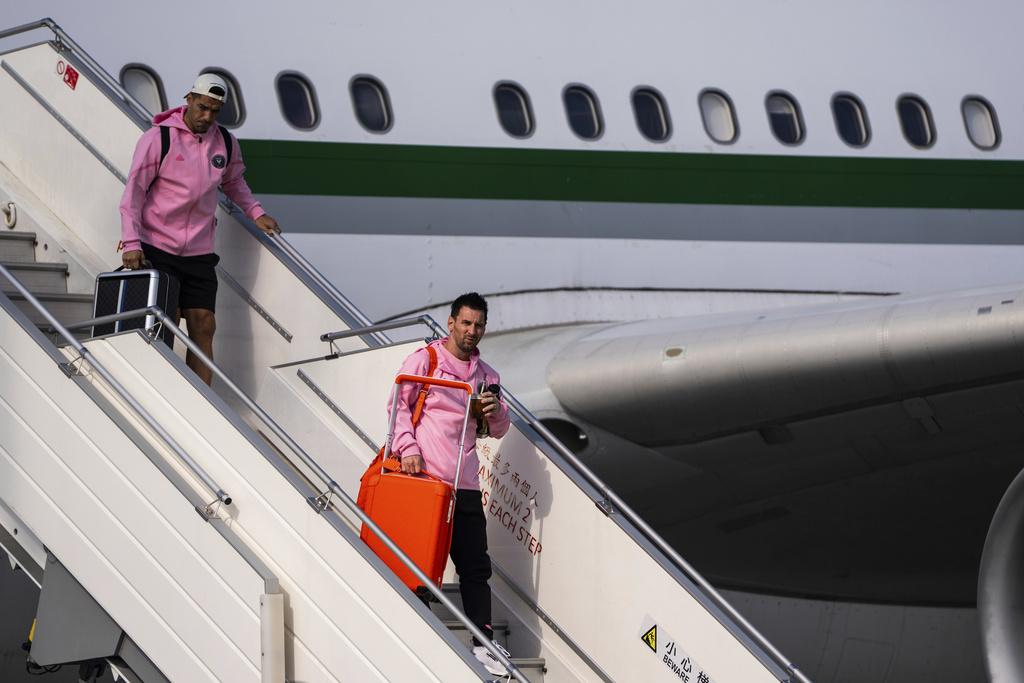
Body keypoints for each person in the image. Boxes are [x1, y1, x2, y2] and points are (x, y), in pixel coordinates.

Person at [118, 73, 279, 385]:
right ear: (189, 100)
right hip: (157, 246)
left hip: (199, 251)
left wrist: (255, 212)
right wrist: (131, 242)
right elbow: (133, 194)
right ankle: (157, 390)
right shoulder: (159, 139)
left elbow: (234, 183)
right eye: (202, 107)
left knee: (204, 324)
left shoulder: (226, 143)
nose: (207, 116)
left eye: (215, 111)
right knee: (164, 322)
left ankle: (202, 398)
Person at [388, 292, 512, 675]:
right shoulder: (425, 359)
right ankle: (416, 635)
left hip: (466, 483)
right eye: (466, 323)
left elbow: (498, 430)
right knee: (422, 564)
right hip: (426, 479)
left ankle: (483, 644)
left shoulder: (488, 376)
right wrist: (408, 447)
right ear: (451, 323)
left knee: (475, 566)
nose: (472, 331)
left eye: (479, 325)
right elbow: (397, 406)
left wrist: (497, 412)